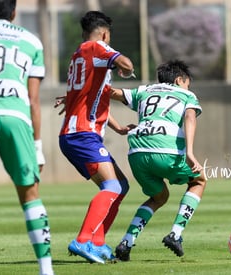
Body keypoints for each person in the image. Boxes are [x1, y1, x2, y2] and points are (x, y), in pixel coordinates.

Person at [0, 0, 54, 274]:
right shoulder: (30, 41)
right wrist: (37, 147)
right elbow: (34, 100)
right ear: (14, 12)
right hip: (17, 117)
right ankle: (46, 269)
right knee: (30, 194)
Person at [109, 60, 207, 261]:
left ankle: (126, 242)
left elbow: (111, 93)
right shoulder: (186, 95)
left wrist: (77, 94)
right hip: (166, 151)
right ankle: (176, 234)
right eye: (187, 83)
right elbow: (190, 117)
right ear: (180, 80)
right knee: (199, 180)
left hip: (136, 153)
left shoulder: (144, 90)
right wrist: (189, 152)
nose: (189, 87)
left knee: (159, 197)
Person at [58, 11, 135, 264]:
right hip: (82, 135)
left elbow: (96, 97)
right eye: (108, 37)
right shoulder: (97, 47)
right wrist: (125, 67)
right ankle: (82, 241)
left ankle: (98, 243)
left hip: (80, 134)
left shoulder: (78, 55)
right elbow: (126, 64)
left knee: (121, 186)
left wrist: (117, 128)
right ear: (104, 34)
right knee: (111, 186)